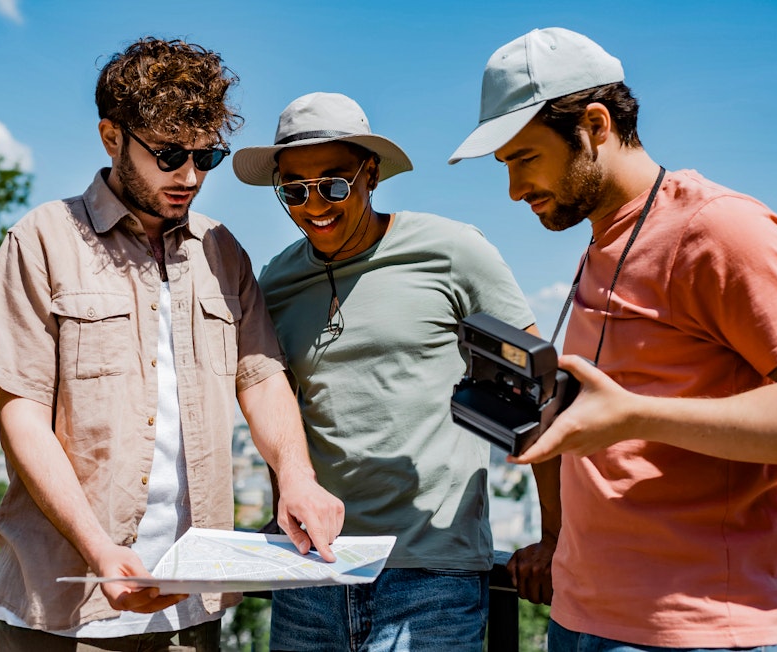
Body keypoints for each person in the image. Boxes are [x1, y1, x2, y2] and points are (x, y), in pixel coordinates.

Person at [0, 38, 344, 652]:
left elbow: (261, 377)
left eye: (206, 157)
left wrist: (295, 475)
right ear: (111, 138)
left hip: (192, 611)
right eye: (170, 155)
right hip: (65, 609)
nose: (190, 177)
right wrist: (99, 552)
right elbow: (22, 417)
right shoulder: (41, 240)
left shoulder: (222, 250)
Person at [449, 26, 777, 651]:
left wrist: (634, 416)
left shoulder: (721, 230)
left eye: (524, 158)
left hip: (698, 630)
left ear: (594, 125)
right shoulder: (603, 236)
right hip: (580, 617)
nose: (512, 190)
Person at [232, 91, 557, 651]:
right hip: (311, 570)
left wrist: (556, 535)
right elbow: (278, 407)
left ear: (372, 173)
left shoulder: (452, 252)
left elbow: (537, 393)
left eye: (334, 184)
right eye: (294, 190)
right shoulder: (276, 282)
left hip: (433, 572)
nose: (315, 205)